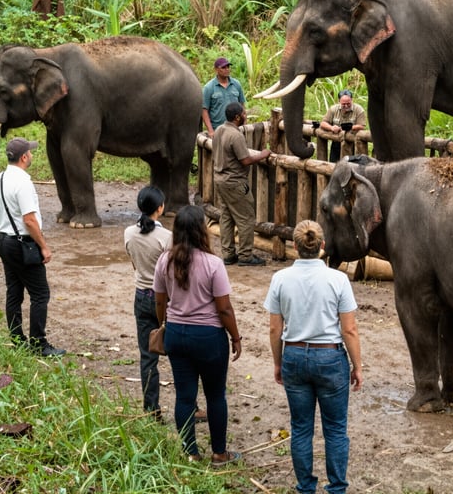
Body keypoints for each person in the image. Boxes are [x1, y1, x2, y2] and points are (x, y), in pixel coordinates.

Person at [264, 220, 363, 494]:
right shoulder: (338, 279)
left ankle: (306, 487)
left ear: (294, 246)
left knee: (301, 427)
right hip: (330, 357)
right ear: (322, 246)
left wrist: (277, 361)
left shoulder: (280, 279)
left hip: (294, 355)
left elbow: (275, 327)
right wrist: (357, 366)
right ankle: (337, 488)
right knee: (335, 429)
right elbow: (350, 329)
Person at [153, 205, 242, 465]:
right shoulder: (213, 264)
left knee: (184, 396)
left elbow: (160, 302)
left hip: (177, 335)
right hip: (210, 337)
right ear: (202, 230)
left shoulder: (164, 261)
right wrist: (235, 337)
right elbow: (224, 308)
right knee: (215, 396)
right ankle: (219, 453)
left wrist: (164, 325)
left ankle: (190, 453)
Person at [0, 137, 65, 357]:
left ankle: (17, 338)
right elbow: (29, 220)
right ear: (24, 157)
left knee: (14, 291)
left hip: (3, 240)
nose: (31, 155)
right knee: (40, 294)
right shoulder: (23, 182)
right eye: (30, 152)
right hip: (22, 243)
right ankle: (39, 343)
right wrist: (44, 246)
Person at [124, 185, 173, 418]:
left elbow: (134, 262)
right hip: (165, 299)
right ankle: (190, 405)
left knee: (147, 355)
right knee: (179, 355)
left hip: (141, 294)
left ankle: (151, 409)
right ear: (160, 208)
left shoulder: (128, 233)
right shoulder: (166, 237)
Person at [212, 101, 271, 266]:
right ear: (237, 117)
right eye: (244, 113)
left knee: (226, 216)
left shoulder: (219, 130)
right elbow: (245, 160)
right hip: (235, 182)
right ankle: (246, 256)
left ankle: (228, 254)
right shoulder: (235, 135)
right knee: (246, 217)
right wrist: (263, 154)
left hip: (220, 180)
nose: (246, 115)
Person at [319, 89, 367, 163]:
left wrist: (351, 127)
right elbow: (323, 123)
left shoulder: (359, 109)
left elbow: (362, 126)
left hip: (353, 143)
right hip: (337, 142)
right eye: (343, 104)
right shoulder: (333, 109)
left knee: (353, 166)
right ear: (339, 101)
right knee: (334, 165)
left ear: (352, 100)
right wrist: (331, 128)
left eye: (348, 103)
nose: (346, 106)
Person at [202, 57, 246, 135]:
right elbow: (204, 110)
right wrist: (211, 131)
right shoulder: (209, 88)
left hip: (236, 129)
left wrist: (244, 124)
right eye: (223, 67)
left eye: (228, 67)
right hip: (218, 130)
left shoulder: (236, 84)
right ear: (216, 69)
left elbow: (242, 106)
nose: (227, 69)